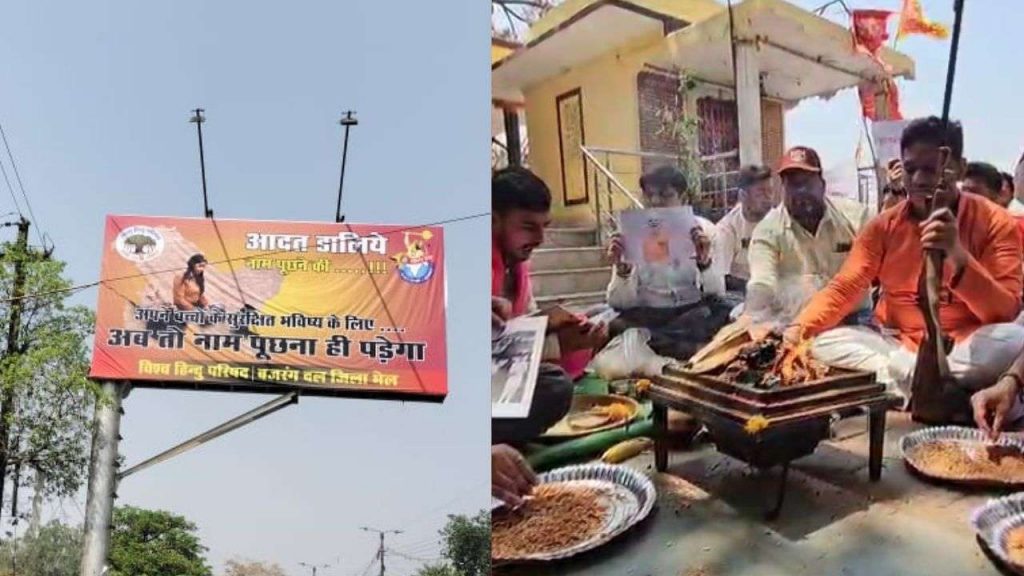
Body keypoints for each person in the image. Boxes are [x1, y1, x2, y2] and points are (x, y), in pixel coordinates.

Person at [789, 116, 1024, 406]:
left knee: (1014, 342)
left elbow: (1005, 311)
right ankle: (931, 389)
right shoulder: (883, 226)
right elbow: (844, 288)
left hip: (964, 348)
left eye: (931, 169)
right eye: (911, 169)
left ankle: (912, 388)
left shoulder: (996, 222)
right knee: (822, 343)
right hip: (900, 347)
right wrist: (795, 331)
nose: (919, 180)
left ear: (960, 168)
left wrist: (957, 255)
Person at [491, 167, 592, 443]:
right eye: (528, 227)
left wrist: (550, 323)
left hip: (496, 372)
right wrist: (556, 342)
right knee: (554, 387)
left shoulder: (517, 264)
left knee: (586, 327)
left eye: (544, 227)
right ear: (493, 221)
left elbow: (515, 327)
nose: (540, 239)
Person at [605, 164, 732, 360]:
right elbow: (619, 303)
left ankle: (658, 345)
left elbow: (717, 293)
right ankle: (686, 348)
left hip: (691, 312)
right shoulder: (632, 232)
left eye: (665, 195)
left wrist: (704, 263)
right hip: (649, 314)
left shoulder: (706, 231)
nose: (655, 202)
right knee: (614, 325)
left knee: (721, 311)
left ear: (683, 198)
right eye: (649, 195)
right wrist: (622, 271)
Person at [744, 146, 871, 325]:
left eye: (807, 183)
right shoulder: (767, 231)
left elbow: (880, 268)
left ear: (822, 185)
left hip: (854, 319)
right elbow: (762, 281)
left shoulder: (856, 217)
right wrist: (753, 316)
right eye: (793, 185)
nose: (801, 192)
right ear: (783, 190)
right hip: (797, 323)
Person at [713, 164, 775, 292]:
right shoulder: (727, 229)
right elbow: (722, 277)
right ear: (743, 196)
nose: (768, 198)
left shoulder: (781, 221)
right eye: (761, 193)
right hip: (743, 295)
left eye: (770, 191)